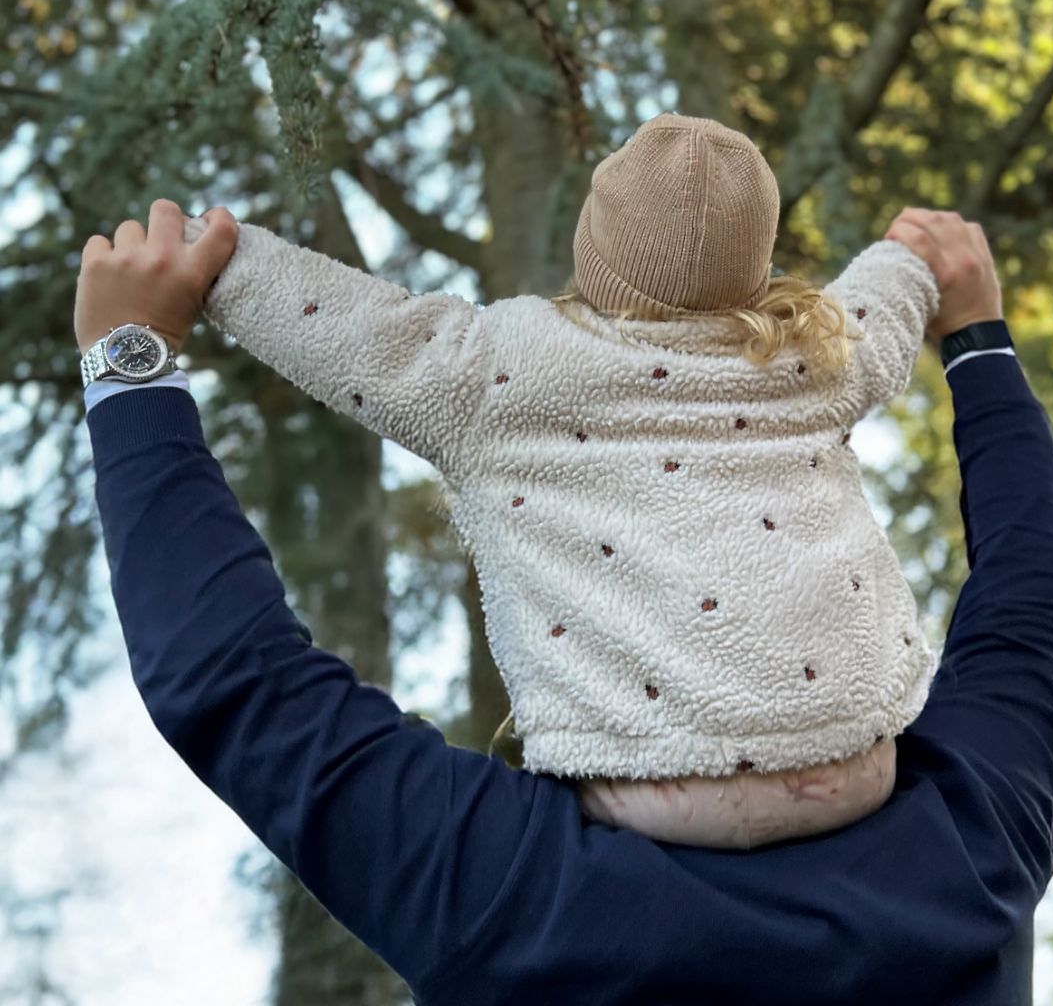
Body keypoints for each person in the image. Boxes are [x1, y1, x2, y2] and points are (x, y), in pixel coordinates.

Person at [77, 190, 1053, 1004]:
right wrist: (980, 340)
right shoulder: (974, 854)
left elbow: (238, 686)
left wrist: (132, 362)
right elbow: (1034, 607)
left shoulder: (517, 908)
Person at [167, 112, 940, 850]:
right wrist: (909, 252)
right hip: (851, 758)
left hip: (653, 780)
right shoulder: (813, 352)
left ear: (593, 250)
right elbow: (884, 305)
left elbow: (342, 323)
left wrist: (212, 258)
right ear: (755, 265)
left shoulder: (502, 367)